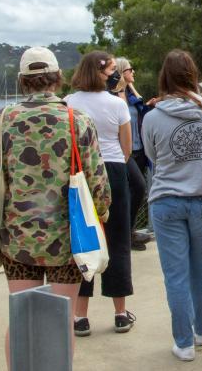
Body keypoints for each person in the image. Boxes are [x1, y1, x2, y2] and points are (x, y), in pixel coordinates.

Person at [0, 47, 110, 368]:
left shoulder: (5, 119)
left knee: (20, 318)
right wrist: (101, 216)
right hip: (68, 236)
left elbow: (1, 171)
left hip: (18, 236)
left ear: (23, 81)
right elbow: (97, 180)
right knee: (62, 319)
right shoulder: (77, 119)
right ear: (58, 78)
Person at [142, 50, 202, 362]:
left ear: (165, 77)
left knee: (175, 275)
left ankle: (184, 343)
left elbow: (152, 156)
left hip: (165, 200)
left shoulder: (152, 116)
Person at [66, 51, 135, 336]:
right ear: (102, 72)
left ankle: (80, 316)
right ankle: (120, 312)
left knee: (83, 241)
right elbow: (127, 147)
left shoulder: (68, 103)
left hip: (80, 174)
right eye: (110, 70)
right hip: (114, 171)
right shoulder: (116, 104)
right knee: (117, 240)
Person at [113, 57, 154, 251]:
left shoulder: (130, 93)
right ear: (122, 72)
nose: (134, 72)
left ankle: (128, 232)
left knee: (137, 190)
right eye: (130, 69)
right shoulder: (115, 96)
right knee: (135, 188)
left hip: (138, 149)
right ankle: (124, 234)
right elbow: (124, 118)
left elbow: (138, 112)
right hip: (122, 153)